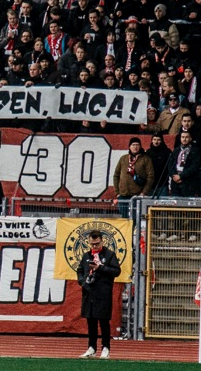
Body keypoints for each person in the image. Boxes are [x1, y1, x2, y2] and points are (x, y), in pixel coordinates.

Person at [77, 229, 120, 359]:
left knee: (104, 322)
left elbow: (116, 271)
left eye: (97, 243)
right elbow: (79, 270)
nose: (94, 246)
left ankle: (106, 347)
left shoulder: (110, 255)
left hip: (103, 293)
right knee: (91, 322)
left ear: (102, 241)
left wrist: (100, 268)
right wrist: (82, 281)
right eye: (92, 244)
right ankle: (91, 347)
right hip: (89, 293)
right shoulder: (86, 256)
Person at [112, 137, 155, 217]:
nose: (135, 147)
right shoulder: (123, 159)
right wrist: (117, 192)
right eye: (133, 145)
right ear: (129, 146)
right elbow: (116, 175)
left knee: (136, 218)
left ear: (140, 146)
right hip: (123, 195)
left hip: (137, 195)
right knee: (124, 218)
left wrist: (144, 192)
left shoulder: (146, 159)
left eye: (137, 145)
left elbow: (150, 177)